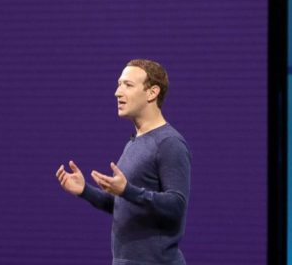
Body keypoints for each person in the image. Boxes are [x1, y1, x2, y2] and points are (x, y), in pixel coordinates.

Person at [56, 59, 192, 265]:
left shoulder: (169, 143)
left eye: (128, 85)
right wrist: (85, 191)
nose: (117, 93)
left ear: (152, 93)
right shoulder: (134, 142)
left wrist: (127, 190)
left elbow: (176, 206)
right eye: (119, 84)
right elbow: (125, 205)